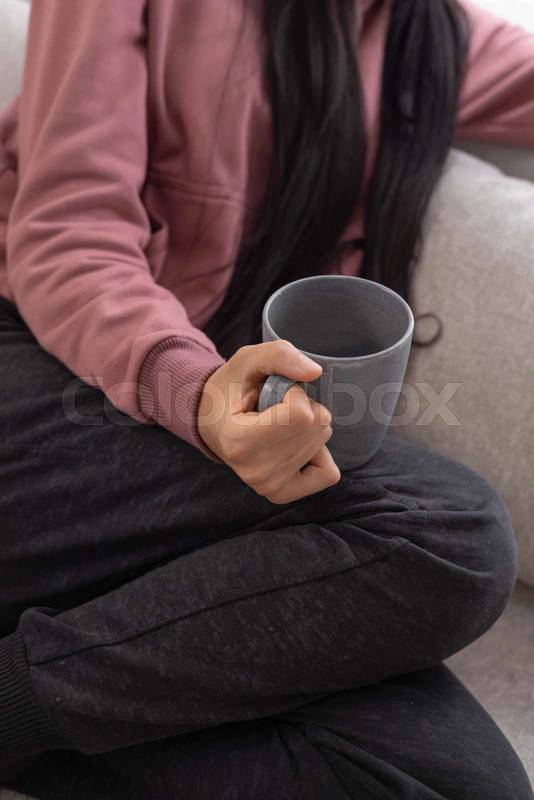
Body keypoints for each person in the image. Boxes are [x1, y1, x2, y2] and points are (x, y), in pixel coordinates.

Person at [0, 0, 532, 797]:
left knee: (457, 784)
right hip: (49, 371)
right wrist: (202, 390)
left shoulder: (428, 36)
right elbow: (67, 237)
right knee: (448, 532)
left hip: (169, 468)